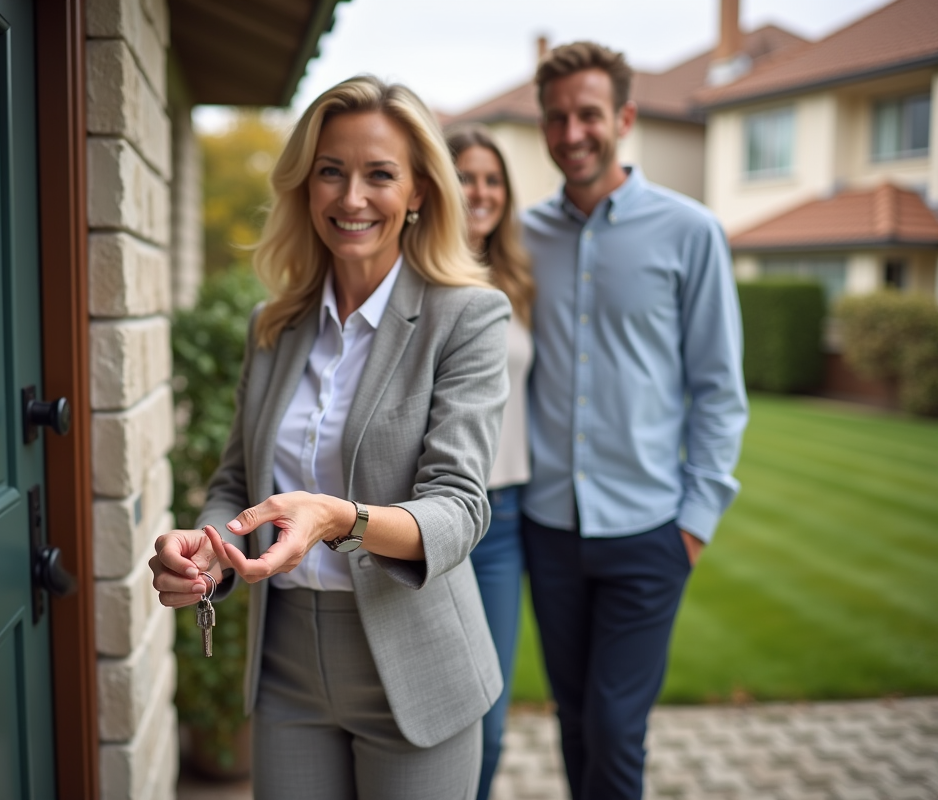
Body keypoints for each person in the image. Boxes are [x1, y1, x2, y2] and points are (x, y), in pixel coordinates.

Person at [149, 75, 512, 800]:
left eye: (379, 174)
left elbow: (461, 507)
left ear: (417, 192)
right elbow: (235, 483)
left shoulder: (468, 318)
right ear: (305, 186)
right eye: (330, 172)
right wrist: (207, 553)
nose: (351, 198)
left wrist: (340, 519)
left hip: (415, 669)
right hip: (286, 671)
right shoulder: (273, 327)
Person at [520, 42, 748, 800]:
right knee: (577, 720)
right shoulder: (521, 241)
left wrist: (695, 519)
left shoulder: (691, 232)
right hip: (548, 527)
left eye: (588, 114)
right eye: (556, 118)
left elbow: (718, 387)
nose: (571, 132)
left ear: (624, 118)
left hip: (651, 529)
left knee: (617, 727)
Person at [445, 123, 535, 800]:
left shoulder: (518, 279)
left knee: (491, 722)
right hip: (433, 518)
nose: (480, 191)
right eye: (467, 175)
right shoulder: (421, 276)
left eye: (492, 178)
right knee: (431, 712)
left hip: (504, 520)